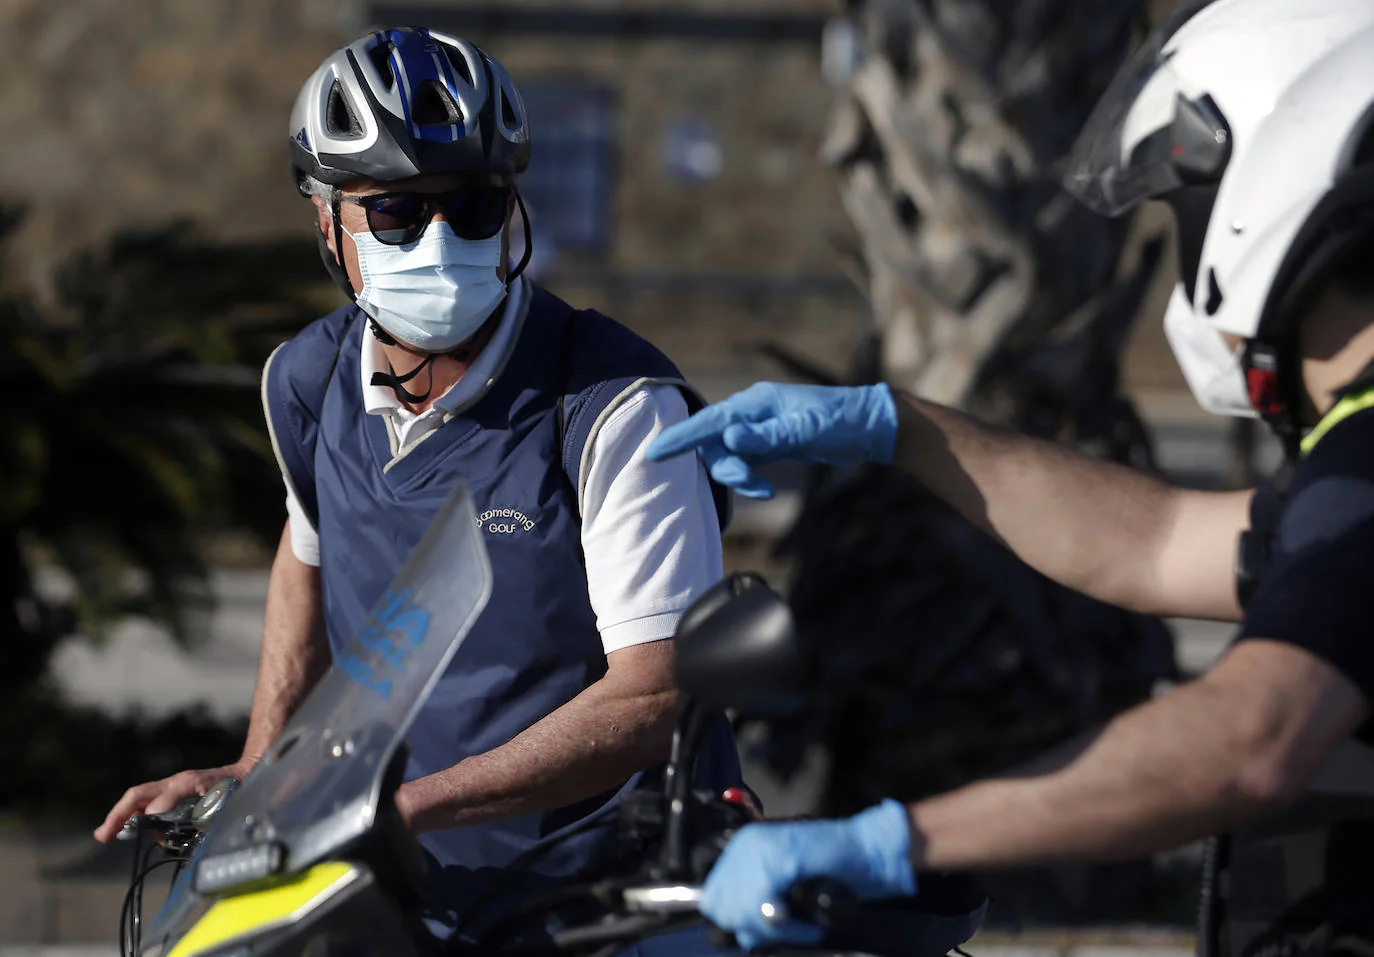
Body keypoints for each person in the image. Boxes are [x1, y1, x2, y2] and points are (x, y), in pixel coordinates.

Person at [648, 0, 1374, 951]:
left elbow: (1251, 738)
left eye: (1184, 200)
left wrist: (900, 839)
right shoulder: (1348, 463)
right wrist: (894, 426)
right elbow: (1156, 543)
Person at [93, 26, 743, 942]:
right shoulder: (306, 380)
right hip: (396, 878)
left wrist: (398, 809)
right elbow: (308, 555)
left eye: (474, 207)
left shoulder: (612, 403)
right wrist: (260, 774)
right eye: (395, 212)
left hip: (599, 888)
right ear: (328, 222)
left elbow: (653, 695)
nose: (439, 240)